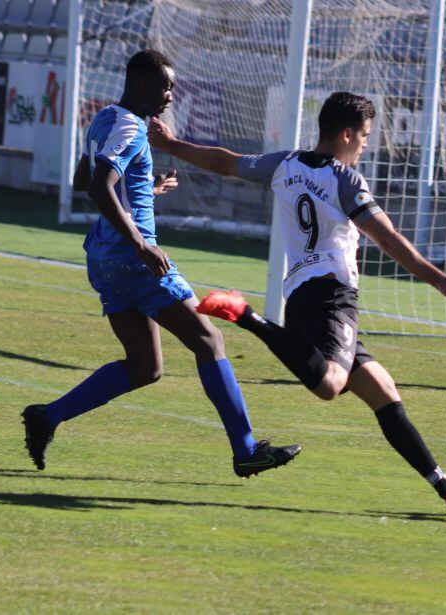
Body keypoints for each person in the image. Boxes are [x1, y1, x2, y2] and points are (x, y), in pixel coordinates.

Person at [147, 91, 446, 517]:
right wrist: (435, 277)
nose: (365, 143)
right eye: (363, 135)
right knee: (329, 384)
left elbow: (225, 161)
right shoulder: (346, 180)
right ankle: (246, 314)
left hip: (306, 296)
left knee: (383, 390)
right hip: (332, 297)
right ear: (345, 134)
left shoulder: (283, 164)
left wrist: (170, 145)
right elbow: (387, 236)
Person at [21, 50, 301, 478]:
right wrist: (141, 244)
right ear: (139, 84)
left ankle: (48, 416)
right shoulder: (131, 128)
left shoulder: (104, 118)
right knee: (208, 341)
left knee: (145, 366)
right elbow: (97, 186)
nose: (171, 94)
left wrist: (144, 189)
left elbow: (84, 179)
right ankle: (246, 450)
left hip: (103, 258)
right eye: (166, 85)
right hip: (130, 258)